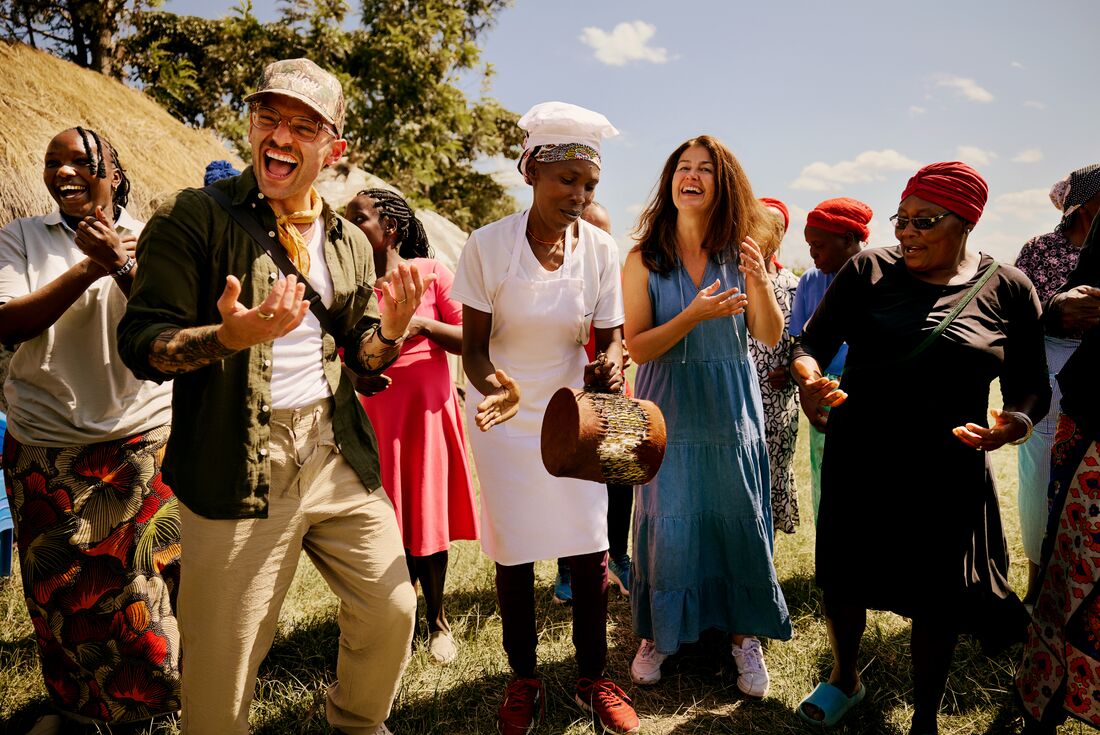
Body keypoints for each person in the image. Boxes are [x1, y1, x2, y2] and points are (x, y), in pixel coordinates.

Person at [117, 59, 418, 735]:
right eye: (268, 118)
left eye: (303, 125)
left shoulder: (346, 241)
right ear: (252, 126)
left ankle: (357, 721)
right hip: (236, 460)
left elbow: (361, 351)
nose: (280, 136)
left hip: (335, 451)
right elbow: (141, 343)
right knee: (223, 669)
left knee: (393, 605)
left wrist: (390, 332)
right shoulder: (193, 217)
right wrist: (228, 335)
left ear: (332, 147)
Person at [792, 161, 1049, 735]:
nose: (905, 233)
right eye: (900, 219)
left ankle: (926, 717)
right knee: (845, 577)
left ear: (965, 223)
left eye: (923, 221)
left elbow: (1033, 386)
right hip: (861, 455)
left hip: (947, 467)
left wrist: (1015, 424)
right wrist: (809, 379)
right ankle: (845, 678)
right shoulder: (868, 269)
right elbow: (812, 342)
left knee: (939, 596)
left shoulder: (1008, 287)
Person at [451, 101, 639, 735]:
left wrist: (607, 365)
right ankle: (524, 677)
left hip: (573, 420)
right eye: (567, 181)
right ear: (530, 171)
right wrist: (494, 388)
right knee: (515, 552)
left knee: (590, 548)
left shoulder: (602, 250)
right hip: (502, 416)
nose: (579, 195)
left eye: (589, 185)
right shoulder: (488, 245)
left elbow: (611, 338)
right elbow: (474, 348)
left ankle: (593, 677)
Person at [0, 127, 182, 727]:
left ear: (113, 170)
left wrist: (123, 262)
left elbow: (168, 328)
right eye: (52, 162)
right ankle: (78, 712)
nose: (63, 171)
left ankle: (155, 707)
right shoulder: (20, 238)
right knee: (58, 593)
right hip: (44, 448)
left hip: (138, 442)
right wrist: (89, 268)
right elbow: (7, 324)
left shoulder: (150, 240)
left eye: (79, 160)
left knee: (139, 587)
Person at [622, 134, 792, 697]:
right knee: (668, 516)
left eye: (705, 170)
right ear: (670, 181)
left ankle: (744, 638)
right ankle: (660, 636)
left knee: (734, 510)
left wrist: (762, 282)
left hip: (728, 404)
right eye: (682, 168)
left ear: (723, 185)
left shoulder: (739, 251)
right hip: (666, 405)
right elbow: (640, 347)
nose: (691, 177)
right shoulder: (643, 257)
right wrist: (692, 315)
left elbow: (767, 335)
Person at [344, 187, 478, 665]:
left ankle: (438, 623)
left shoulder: (433, 273)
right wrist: (356, 372)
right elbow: (340, 354)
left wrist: (416, 326)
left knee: (425, 513)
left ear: (391, 229)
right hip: (374, 415)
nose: (348, 225)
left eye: (358, 218)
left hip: (425, 414)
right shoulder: (352, 289)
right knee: (380, 523)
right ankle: (389, 620)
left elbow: (468, 338)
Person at [1016, 209, 1100, 734]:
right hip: (1085, 401)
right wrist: (1058, 309)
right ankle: (1048, 687)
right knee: (1069, 555)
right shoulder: (1042, 247)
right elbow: (1047, 311)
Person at [1013, 163, 1100, 603]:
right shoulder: (1041, 249)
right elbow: (1012, 313)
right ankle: (1035, 585)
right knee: (1041, 475)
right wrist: (1056, 309)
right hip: (1050, 366)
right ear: (1085, 206)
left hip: (1096, 371)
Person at [553, 200, 634, 604]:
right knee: (574, 479)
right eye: (589, 228)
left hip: (615, 392)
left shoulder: (616, 276)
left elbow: (626, 334)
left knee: (621, 478)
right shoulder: (555, 274)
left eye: (605, 231)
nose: (597, 238)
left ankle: (618, 555)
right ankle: (567, 568)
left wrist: (622, 354)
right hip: (572, 396)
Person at [789, 197, 872, 522]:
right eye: (809, 245)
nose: (813, 254)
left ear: (849, 240)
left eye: (819, 245)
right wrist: (807, 393)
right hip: (823, 388)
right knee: (826, 470)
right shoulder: (811, 280)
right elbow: (802, 343)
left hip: (869, 388)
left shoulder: (884, 277)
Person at [747, 197, 802, 534]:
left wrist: (793, 371)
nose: (763, 234)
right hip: (738, 394)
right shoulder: (732, 279)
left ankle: (766, 550)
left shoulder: (794, 286)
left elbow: (805, 342)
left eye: (773, 228)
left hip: (778, 399)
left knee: (775, 471)